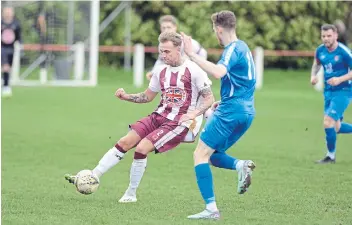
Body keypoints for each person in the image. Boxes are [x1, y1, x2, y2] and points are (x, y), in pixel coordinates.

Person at [65, 31, 214, 203]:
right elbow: (147, 96)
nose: (163, 55)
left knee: (141, 148)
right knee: (124, 142)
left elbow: (208, 98)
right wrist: (126, 96)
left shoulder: (194, 70)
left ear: (179, 49)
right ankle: (94, 175)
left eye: (167, 52)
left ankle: (131, 193)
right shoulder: (160, 71)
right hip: (159, 116)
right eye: (161, 51)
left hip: (178, 123)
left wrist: (194, 113)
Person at [180, 10, 256, 220]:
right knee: (212, 155)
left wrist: (191, 54)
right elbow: (246, 81)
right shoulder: (245, 48)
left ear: (219, 29)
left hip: (230, 113)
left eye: (215, 30)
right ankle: (241, 165)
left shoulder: (232, 49)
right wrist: (227, 100)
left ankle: (211, 209)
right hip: (246, 111)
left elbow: (218, 72)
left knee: (199, 155)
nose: (215, 34)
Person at [310, 24, 352, 164]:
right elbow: (317, 64)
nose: (326, 39)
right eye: (323, 36)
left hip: (343, 92)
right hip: (328, 92)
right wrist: (313, 76)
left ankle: (330, 156)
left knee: (328, 122)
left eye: (329, 36)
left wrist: (340, 79)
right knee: (336, 127)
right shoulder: (320, 50)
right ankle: (330, 155)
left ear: (335, 36)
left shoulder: (343, 52)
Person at [145, 15, 207, 80]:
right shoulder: (162, 44)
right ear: (160, 28)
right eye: (163, 28)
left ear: (175, 27)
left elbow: (185, 61)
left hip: (198, 57)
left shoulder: (182, 41)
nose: (166, 30)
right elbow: (161, 60)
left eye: (169, 27)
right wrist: (153, 72)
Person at [1, 6, 21, 97]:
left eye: (9, 12)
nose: (8, 13)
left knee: (8, 67)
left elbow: (18, 37)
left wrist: (20, 44)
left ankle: (6, 85)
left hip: (11, 48)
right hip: (2, 48)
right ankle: (6, 86)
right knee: (5, 66)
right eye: (6, 11)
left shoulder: (16, 24)